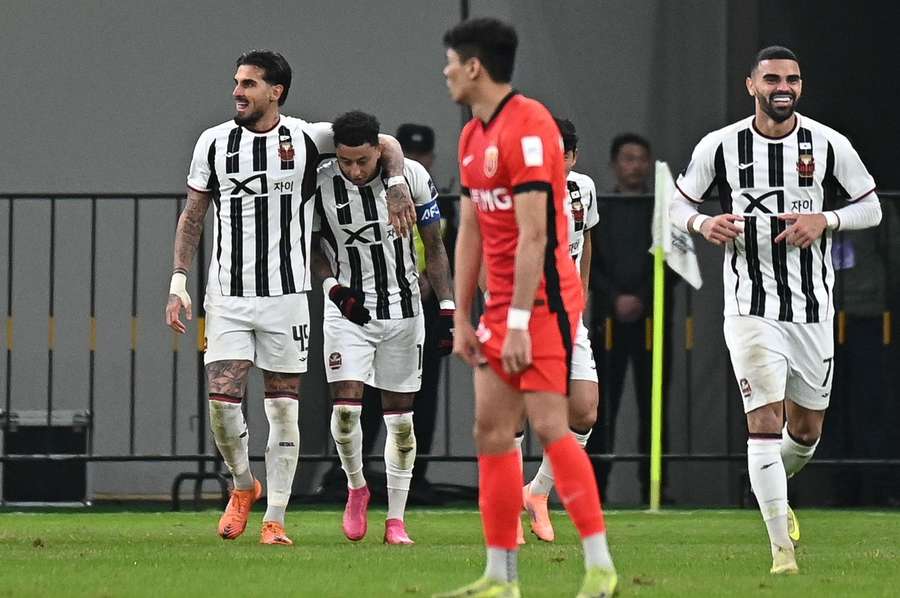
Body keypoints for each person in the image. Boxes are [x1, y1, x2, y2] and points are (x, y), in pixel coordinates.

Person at [164, 49, 413, 546]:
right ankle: (242, 487)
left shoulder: (305, 138)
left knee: (282, 410)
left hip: (286, 298)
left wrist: (399, 182)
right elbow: (193, 215)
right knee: (222, 403)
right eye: (237, 82)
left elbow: (383, 142)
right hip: (228, 296)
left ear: (276, 91)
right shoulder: (213, 143)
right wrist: (177, 281)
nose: (237, 91)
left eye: (249, 84)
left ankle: (275, 517)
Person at [670, 45, 881, 574]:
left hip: (812, 308)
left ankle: (768, 478)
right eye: (771, 78)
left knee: (805, 432)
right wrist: (701, 224)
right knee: (763, 419)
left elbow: (872, 206)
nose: (782, 86)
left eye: (791, 78)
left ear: (800, 86)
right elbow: (675, 204)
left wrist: (826, 221)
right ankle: (780, 552)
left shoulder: (829, 143)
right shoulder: (720, 146)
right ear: (751, 86)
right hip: (749, 305)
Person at [436, 18, 616, 598]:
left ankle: (600, 566)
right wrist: (462, 314)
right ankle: (500, 576)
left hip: (543, 304)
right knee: (490, 430)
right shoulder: (471, 137)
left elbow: (536, 236)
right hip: (497, 310)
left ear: (474, 67)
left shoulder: (531, 125)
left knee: (549, 425)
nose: (444, 72)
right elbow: (470, 231)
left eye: (450, 62)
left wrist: (516, 322)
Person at [310, 110, 454, 545]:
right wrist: (334, 289)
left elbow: (434, 246)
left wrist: (447, 308)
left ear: (379, 151)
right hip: (348, 310)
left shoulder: (411, 177)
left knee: (401, 422)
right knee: (347, 411)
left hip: (405, 309)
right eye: (346, 162)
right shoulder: (320, 180)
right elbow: (315, 246)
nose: (353, 170)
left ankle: (395, 519)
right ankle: (356, 487)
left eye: (362, 162)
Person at [519, 117, 600, 543]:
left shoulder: (582, 189)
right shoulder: (515, 191)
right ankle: (504, 514)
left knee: (584, 410)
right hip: (521, 313)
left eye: (559, 155)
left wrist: (581, 289)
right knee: (514, 412)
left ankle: (538, 492)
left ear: (571, 156)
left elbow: (585, 240)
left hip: (566, 315)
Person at [586, 133, 675, 503]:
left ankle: (654, 488)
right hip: (607, 322)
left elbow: (671, 262)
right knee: (600, 408)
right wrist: (614, 298)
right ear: (614, 164)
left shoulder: (662, 208)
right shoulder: (601, 206)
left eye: (641, 158)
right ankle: (596, 489)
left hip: (652, 323)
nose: (634, 165)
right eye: (627, 158)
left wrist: (641, 297)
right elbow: (589, 262)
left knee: (654, 408)